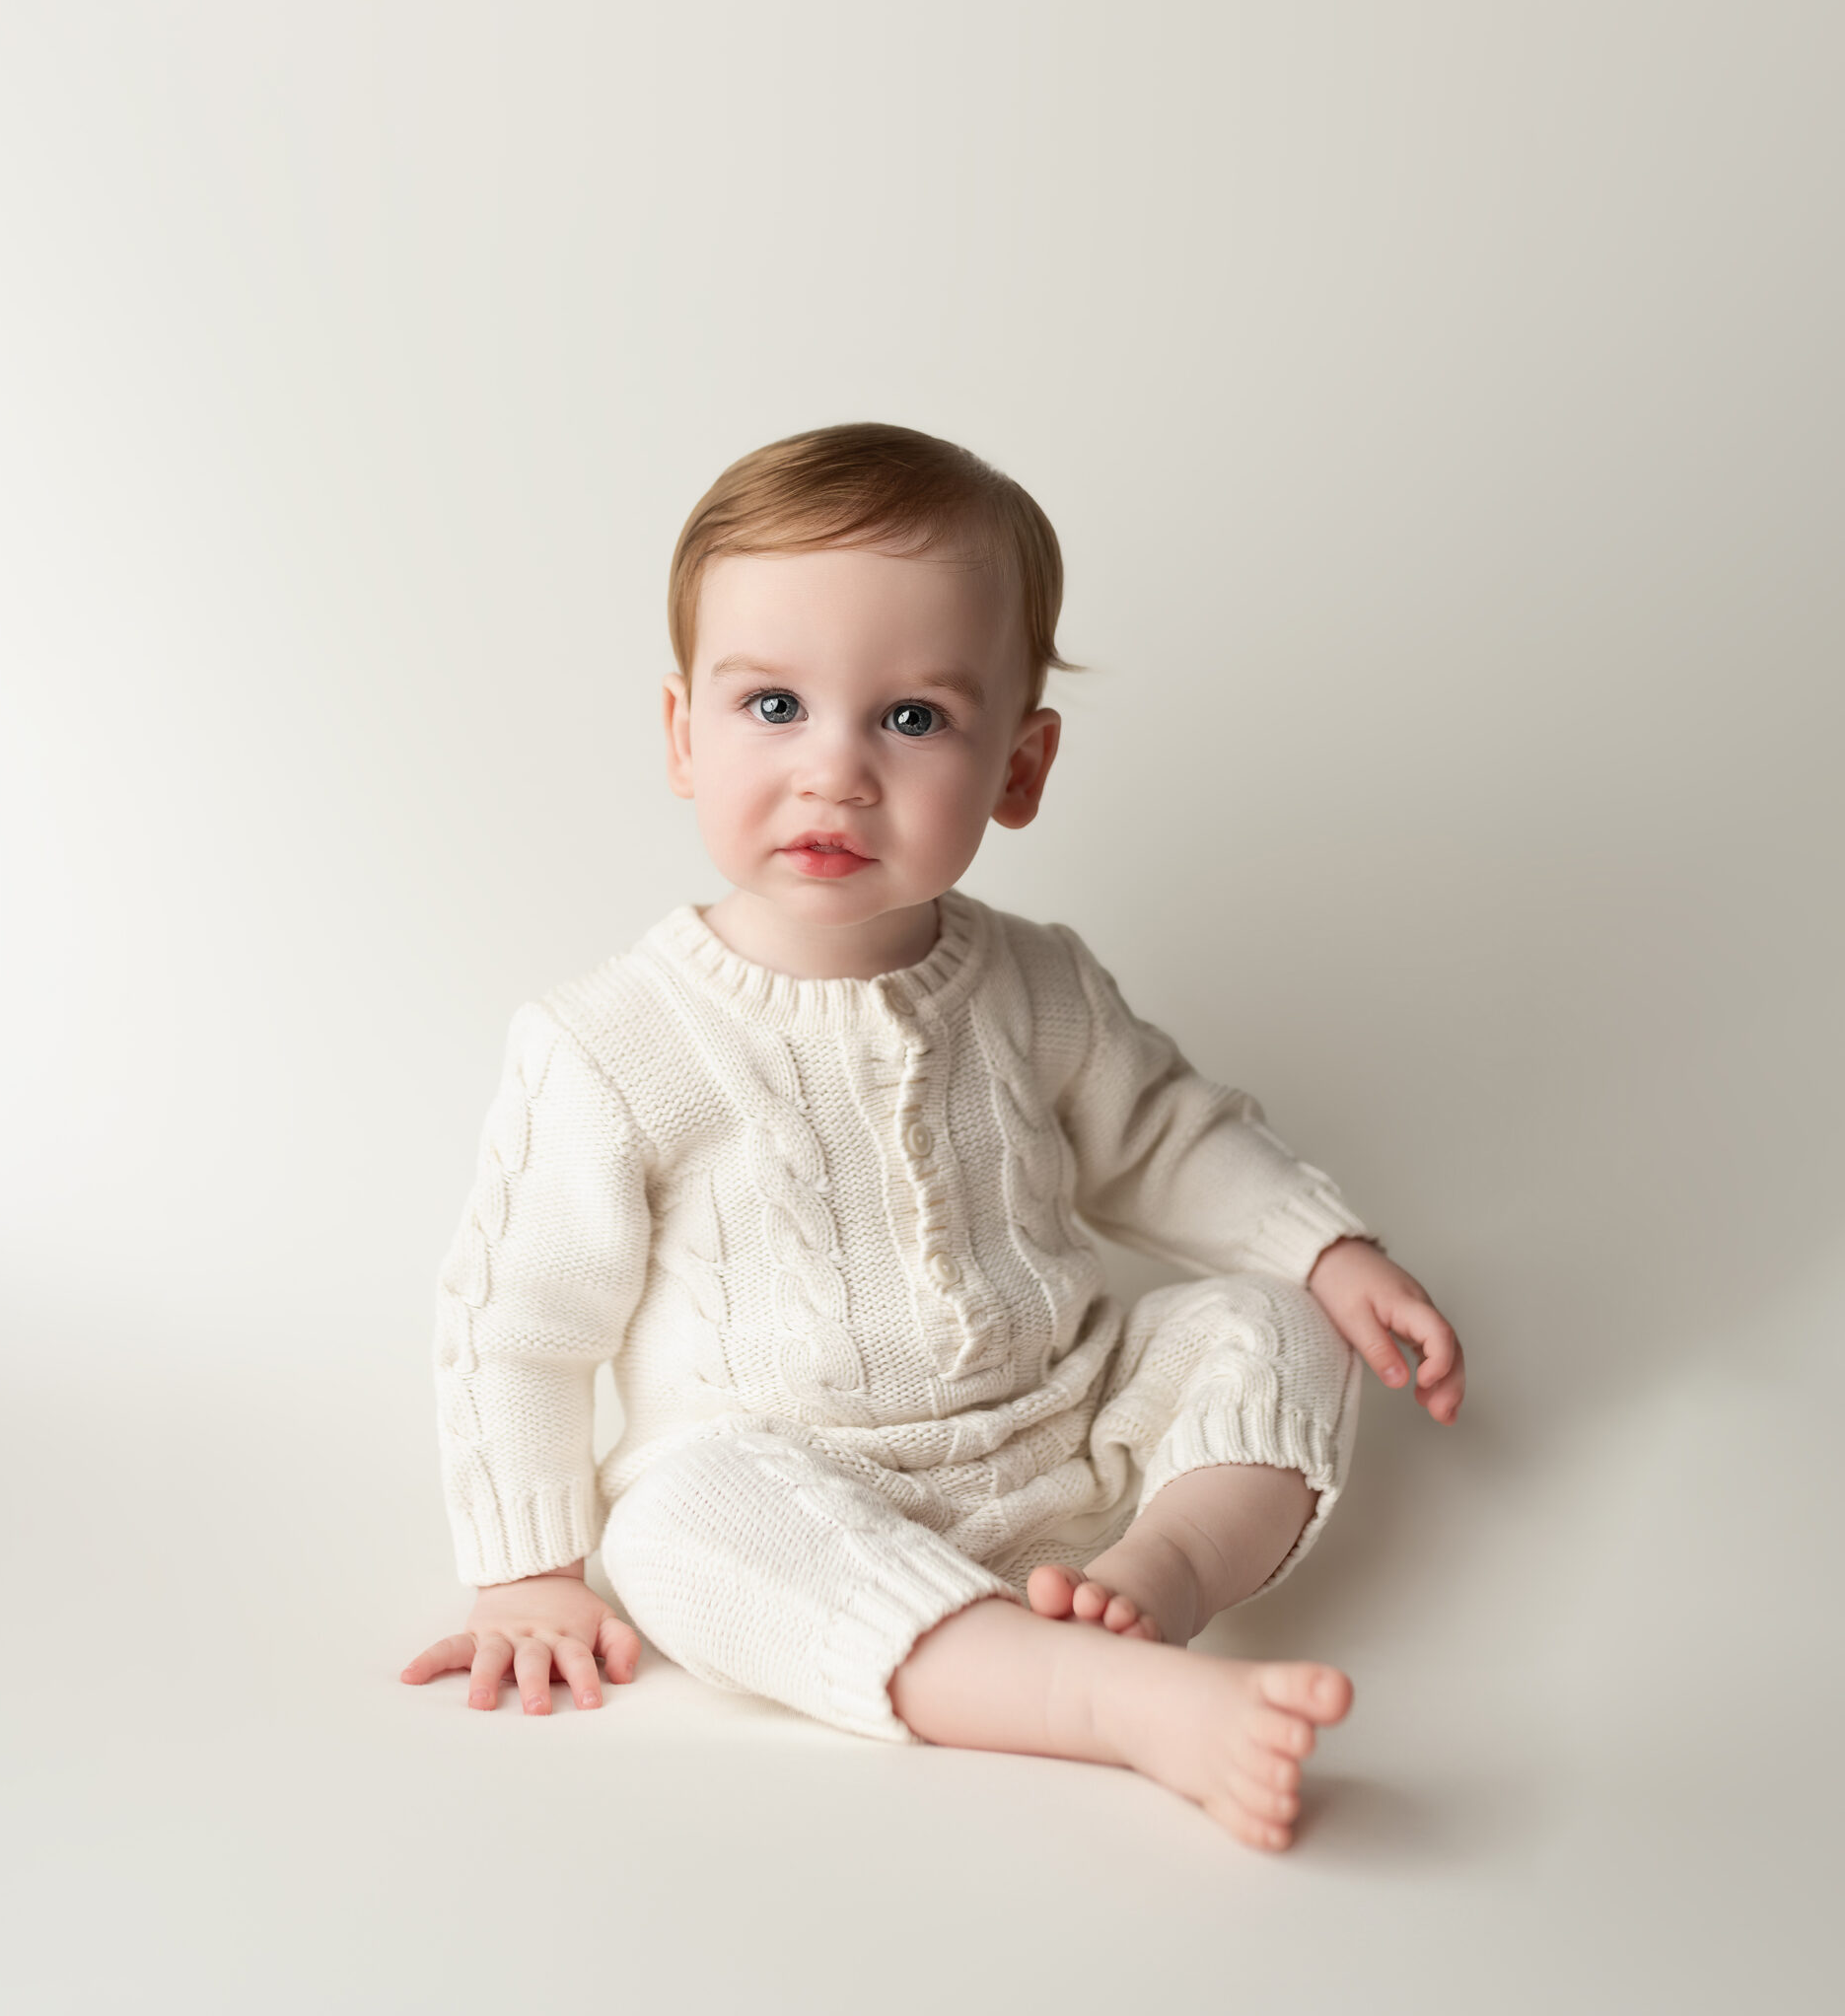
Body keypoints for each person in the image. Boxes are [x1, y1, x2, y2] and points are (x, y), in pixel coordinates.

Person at [401, 423, 1466, 1849]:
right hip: (792, 1471)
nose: (835, 771)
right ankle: (1109, 1701)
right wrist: (528, 1571)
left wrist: (1325, 1249)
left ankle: (1157, 1579)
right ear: (680, 736)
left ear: (1018, 767)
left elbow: (1161, 1138)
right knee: (672, 1529)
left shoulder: (1037, 983)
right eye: (773, 706)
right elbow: (522, 1324)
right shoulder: (612, 1043)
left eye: (910, 719)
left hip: (1064, 1431)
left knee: (1269, 1325)